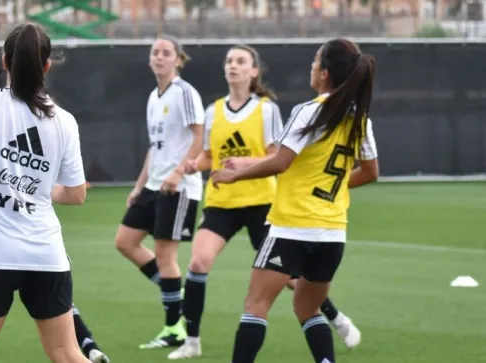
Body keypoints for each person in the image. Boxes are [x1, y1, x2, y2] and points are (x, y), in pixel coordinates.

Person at [167, 45, 360, 360]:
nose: (233, 65)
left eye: (240, 61)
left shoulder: (267, 109)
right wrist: (192, 165)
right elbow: (210, 156)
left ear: (254, 71)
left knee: (292, 281)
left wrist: (242, 166)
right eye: (229, 60)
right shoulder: (213, 111)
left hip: (262, 201)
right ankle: (192, 341)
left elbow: (277, 157)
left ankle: (337, 318)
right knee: (198, 263)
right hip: (223, 201)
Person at [0, 47, 111, 363]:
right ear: (47, 66)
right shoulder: (63, 119)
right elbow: (76, 195)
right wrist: (40, 191)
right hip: (45, 252)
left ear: (6, 62)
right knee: (67, 353)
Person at [210, 38, 379, 363]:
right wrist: (332, 188)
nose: (311, 68)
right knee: (307, 308)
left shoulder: (309, 111)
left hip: (292, 227)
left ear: (325, 73)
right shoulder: (360, 119)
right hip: (332, 233)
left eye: (315, 62)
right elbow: (371, 172)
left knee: (255, 306)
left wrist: (235, 175)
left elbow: (280, 163)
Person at [114, 35, 205, 350]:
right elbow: (155, 147)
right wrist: (139, 186)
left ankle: (174, 328)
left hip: (179, 187)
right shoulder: (154, 96)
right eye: (155, 52)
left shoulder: (184, 92)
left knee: (166, 255)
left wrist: (179, 172)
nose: (159, 57)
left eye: (166, 53)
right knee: (125, 242)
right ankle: (177, 299)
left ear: (177, 60)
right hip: (153, 186)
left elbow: (200, 136)